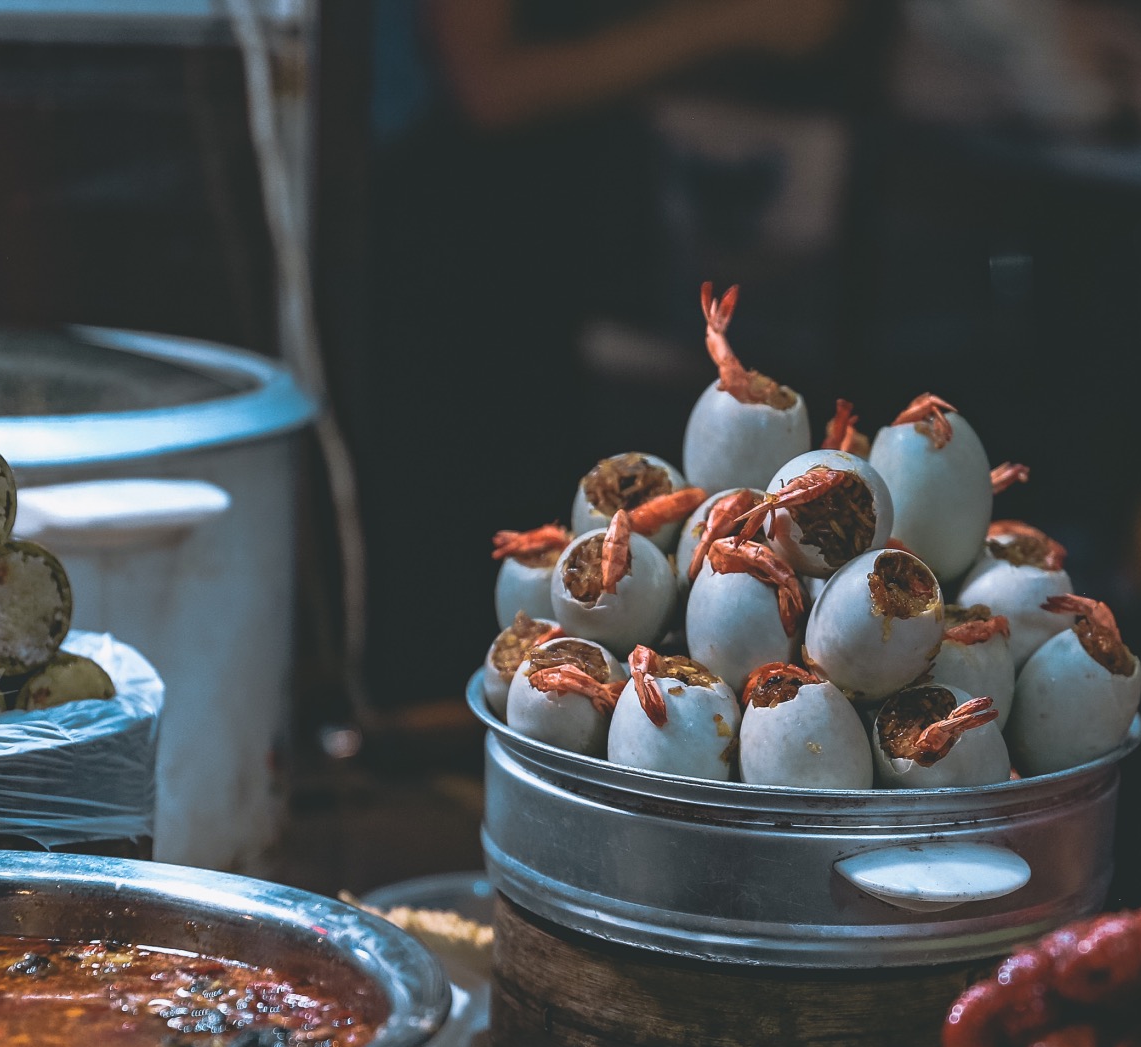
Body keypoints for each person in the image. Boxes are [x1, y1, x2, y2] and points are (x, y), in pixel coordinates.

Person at [366, 0, 853, 704]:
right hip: (461, 261)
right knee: (466, 574)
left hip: (552, 250)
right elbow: (489, 87)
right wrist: (738, 22)